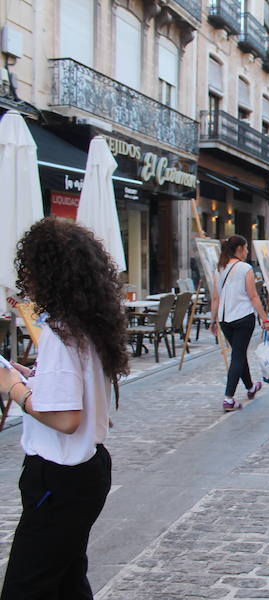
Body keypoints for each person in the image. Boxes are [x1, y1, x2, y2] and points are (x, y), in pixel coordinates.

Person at [0, 218, 130, 598]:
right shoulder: (87, 326)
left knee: (27, 587)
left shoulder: (60, 333)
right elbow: (81, 393)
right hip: (86, 470)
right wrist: (37, 377)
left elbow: (67, 418)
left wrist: (17, 390)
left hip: (59, 476)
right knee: (67, 580)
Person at [209, 235, 269, 412]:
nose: (247, 252)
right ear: (239, 249)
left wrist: (213, 320)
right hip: (243, 317)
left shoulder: (219, 269)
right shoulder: (245, 268)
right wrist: (265, 318)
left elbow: (215, 297)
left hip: (224, 319)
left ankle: (251, 387)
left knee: (239, 352)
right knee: (238, 355)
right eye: (245, 248)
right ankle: (228, 398)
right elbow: (253, 296)